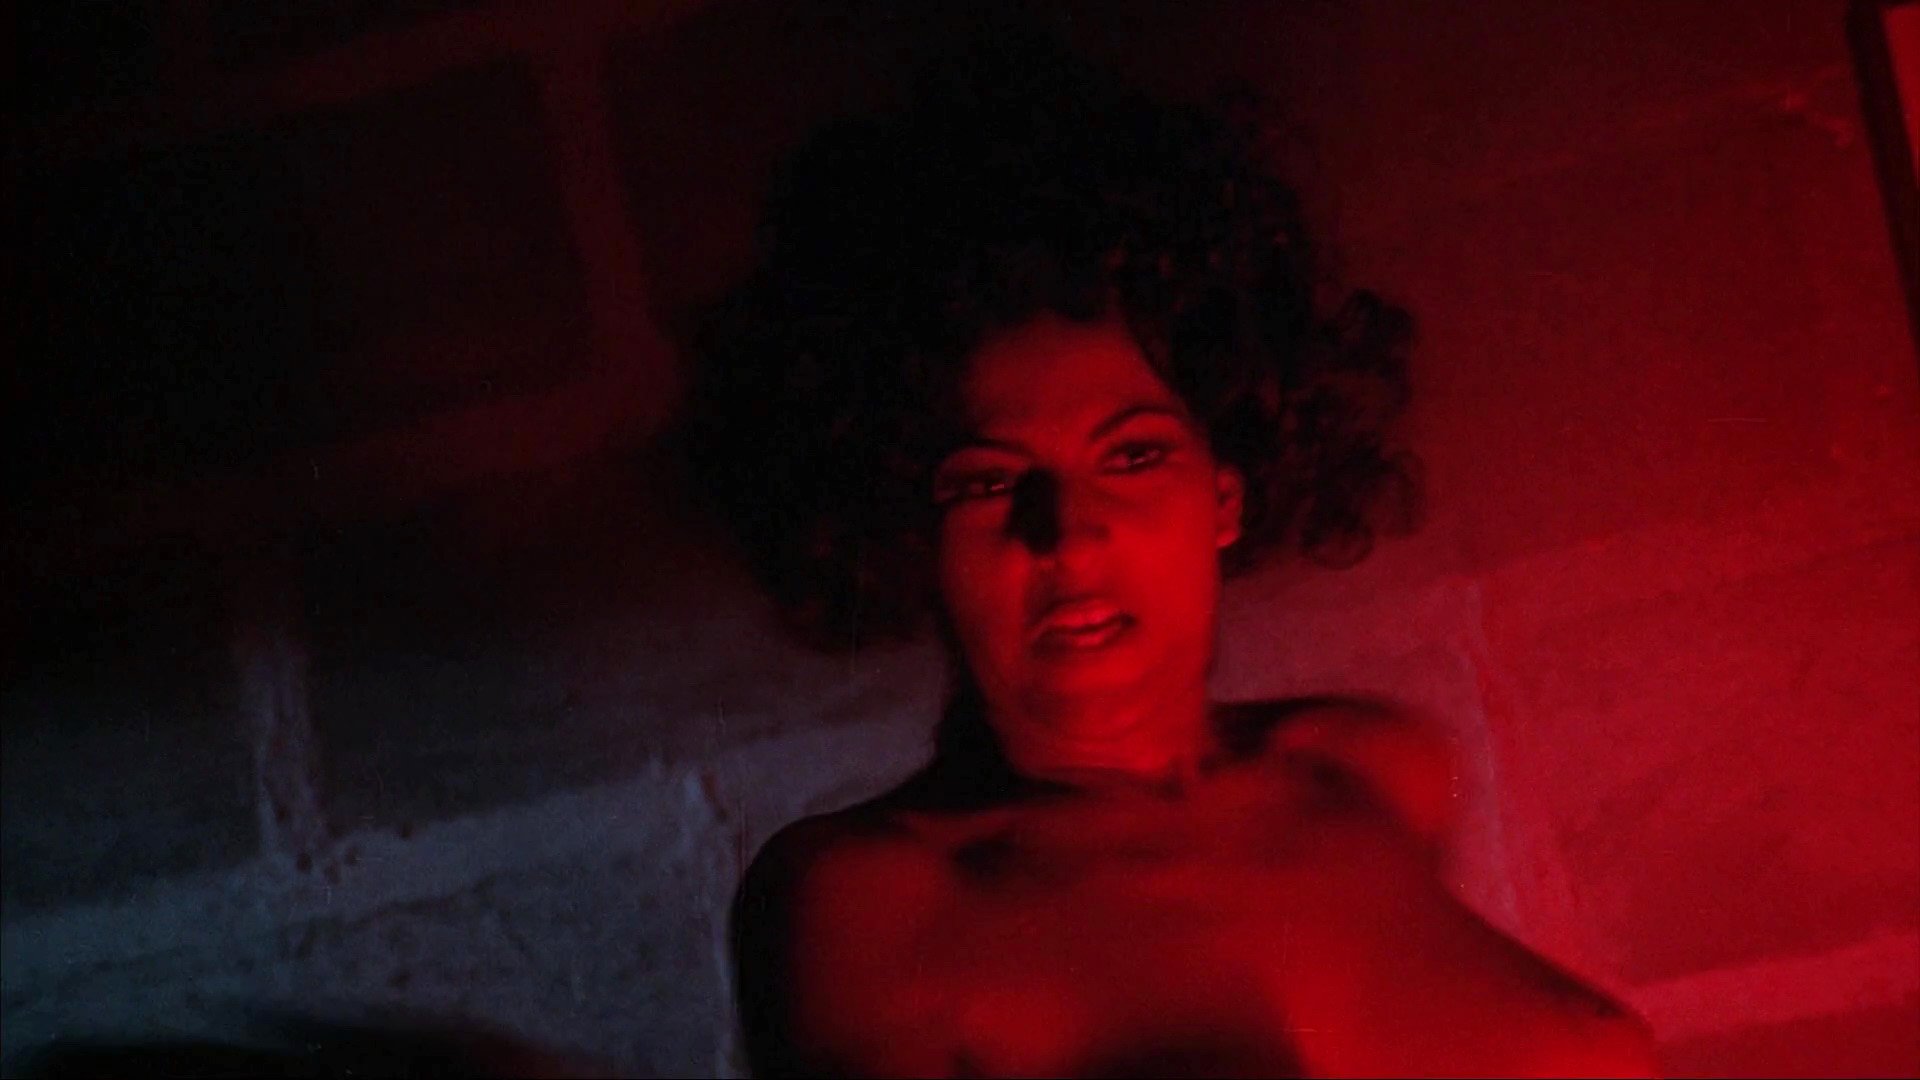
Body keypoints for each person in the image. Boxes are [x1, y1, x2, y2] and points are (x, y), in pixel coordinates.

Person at [686, 32, 1659, 1079]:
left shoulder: (1372, 770)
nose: (1069, 532)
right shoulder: (866, 905)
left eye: (1133, 455)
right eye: (988, 483)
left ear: (1225, 496)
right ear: (914, 539)